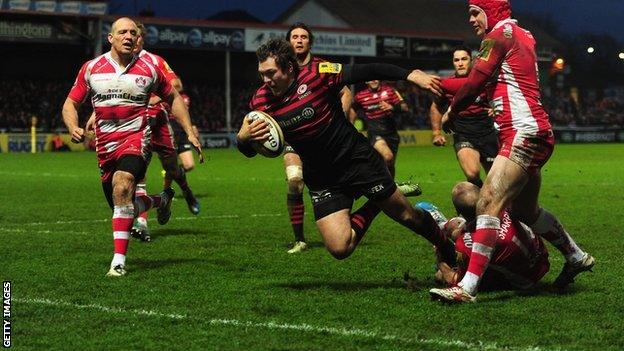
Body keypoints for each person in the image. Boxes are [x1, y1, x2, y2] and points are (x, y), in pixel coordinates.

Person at [237, 38, 456, 267]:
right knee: (340, 247)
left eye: (270, 73)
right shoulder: (261, 102)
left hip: (356, 160)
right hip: (322, 177)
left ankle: (445, 247)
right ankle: (375, 204)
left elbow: (366, 70)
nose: (265, 80)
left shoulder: (318, 72)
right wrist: (243, 139)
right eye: (261, 74)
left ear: (289, 67)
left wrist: (410, 74)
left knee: (408, 216)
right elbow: (253, 150)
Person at [430, 0, 594, 302]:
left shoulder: (497, 35)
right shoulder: (520, 34)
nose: (470, 19)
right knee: (525, 211)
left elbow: (475, 81)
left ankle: (467, 288)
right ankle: (575, 255)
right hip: (533, 132)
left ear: (491, 11)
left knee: (487, 203)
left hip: (523, 133)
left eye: (474, 12)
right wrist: (438, 84)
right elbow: (479, 81)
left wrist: (451, 111)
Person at [62, 17, 203, 277]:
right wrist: (73, 126)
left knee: (124, 184)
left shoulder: (151, 67)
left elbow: (173, 96)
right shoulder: (91, 68)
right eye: (123, 32)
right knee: (122, 204)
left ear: (139, 38)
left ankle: (118, 262)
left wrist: (188, 130)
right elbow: (70, 103)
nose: (129, 36)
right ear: (111, 38)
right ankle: (161, 200)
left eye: (133, 33)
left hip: (136, 139)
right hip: (105, 146)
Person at [281, 22, 354, 254]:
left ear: (310, 42)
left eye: (304, 36)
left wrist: (338, 118)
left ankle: (343, 222)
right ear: (288, 42)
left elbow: (346, 91)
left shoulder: (324, 66)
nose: (299, 40)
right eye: (295, 37)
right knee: (294, 181)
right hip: (295, 136)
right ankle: (299, 239)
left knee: (334, 182)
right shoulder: (282, 69)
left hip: (324, 137)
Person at [430, 182, 550, 300]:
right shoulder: (505, 203)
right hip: (541, 258)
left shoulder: (466, 244)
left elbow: (455, 279)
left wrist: (440, 258)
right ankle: (446, 225)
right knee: (458, 230)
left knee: (440, 275)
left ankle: (445, 225)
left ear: (458, 211)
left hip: (526, 280)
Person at [429, 46, 497, 187]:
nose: (460, 63)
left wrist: (495, 108)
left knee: (496, 180)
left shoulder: (484, 81)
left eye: (464, 59)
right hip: (463, 133)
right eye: (456, 60)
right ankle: (480, 201)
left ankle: (494, 203)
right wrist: (436, 133)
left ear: (471, 61)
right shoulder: (447, 85)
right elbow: (435, 107)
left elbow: (498, 99)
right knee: (472, 174)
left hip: (488, 132)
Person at [350, 80, 409, 179]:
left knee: (390, 164)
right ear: (366, 81)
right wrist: (351, 124)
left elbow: (405, 108)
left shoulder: (390, 91)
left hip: (392, 133)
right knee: (388, 156)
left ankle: (390, 187)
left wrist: (392, 107)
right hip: (375, 133)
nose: (373, 81)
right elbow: (353, 109)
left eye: (375, 78)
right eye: (370, 79)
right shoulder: (360, 96)